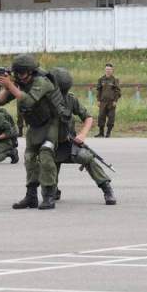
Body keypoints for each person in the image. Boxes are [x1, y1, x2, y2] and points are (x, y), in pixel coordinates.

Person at [0, 54, 70, 210]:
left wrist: (10, 85)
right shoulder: (19, 83)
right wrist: (5, 85)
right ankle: (31, 197)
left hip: (51, 124)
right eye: (16, 73)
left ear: (31, 72)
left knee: (46, 155)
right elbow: (1, 101)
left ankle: (49, 196)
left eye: (21, 73)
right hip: (35, 125)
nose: (18, 77)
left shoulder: (42, 82)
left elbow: (29, 100)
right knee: (29, 158)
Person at [53, 68, 116, 205]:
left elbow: (87, 117)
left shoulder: (70, 99)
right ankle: (52, 189)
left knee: (86, 157)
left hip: (69, 143)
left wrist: (82, 134)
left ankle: (107, 189)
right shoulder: (43, 101)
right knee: (46, 164)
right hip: (51, 145)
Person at [95, 63, 121, 138]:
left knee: (111, 117)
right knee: (101, 117)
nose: (108, 71)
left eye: (109, 69)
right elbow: (99, 91)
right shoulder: (101, 79)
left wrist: (115, 101)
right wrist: (98, 100)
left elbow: (118, 91)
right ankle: (101, 133)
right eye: (106, 69)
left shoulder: (115, 80)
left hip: (111, 102)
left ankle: (108, 133)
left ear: (112, 70)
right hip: (102, 102)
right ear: (105, 70)